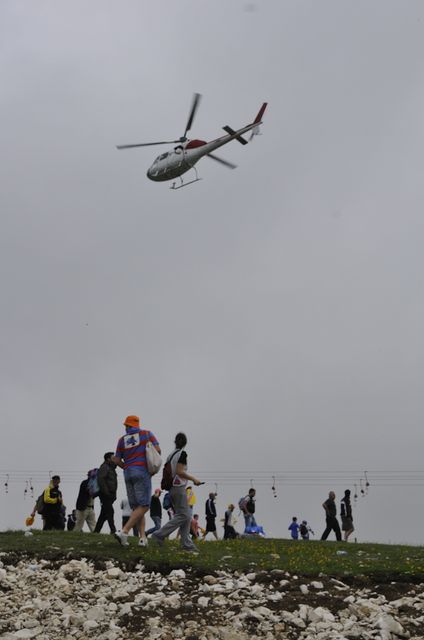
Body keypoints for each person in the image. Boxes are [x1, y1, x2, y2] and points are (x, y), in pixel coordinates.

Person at [113, 415, 161, 547]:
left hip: (128, 473)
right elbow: (157, 450)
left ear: (128, 426)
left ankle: (142, 538)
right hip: (141, 472)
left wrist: (127, 466)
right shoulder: (146, 434)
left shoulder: (121, 440)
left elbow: (116, 460)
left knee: (137, 507)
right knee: (144, 505)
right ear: (137, 424)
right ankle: (125, 531)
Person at [151, 432, 202, 553]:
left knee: (186, 516)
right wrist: (194, 479)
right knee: (184, 515)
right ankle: (159, 534)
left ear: (175, 442)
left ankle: (186, 543)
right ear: (185, 443)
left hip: (172, 489)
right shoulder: (182, 454)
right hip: (178, 487)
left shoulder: (171, 455)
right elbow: (180, 471)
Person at [94, 452, 118, 535]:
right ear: (108, 459)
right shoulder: (105, 467)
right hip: (105, 494)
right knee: (110, 511)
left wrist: (113, 495)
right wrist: (106, 492)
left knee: (104, 514)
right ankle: (113, 530)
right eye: (113, 457)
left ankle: (96, 531)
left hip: (110, 495)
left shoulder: (111, 468)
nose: (115, 459)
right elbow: (101, 479)